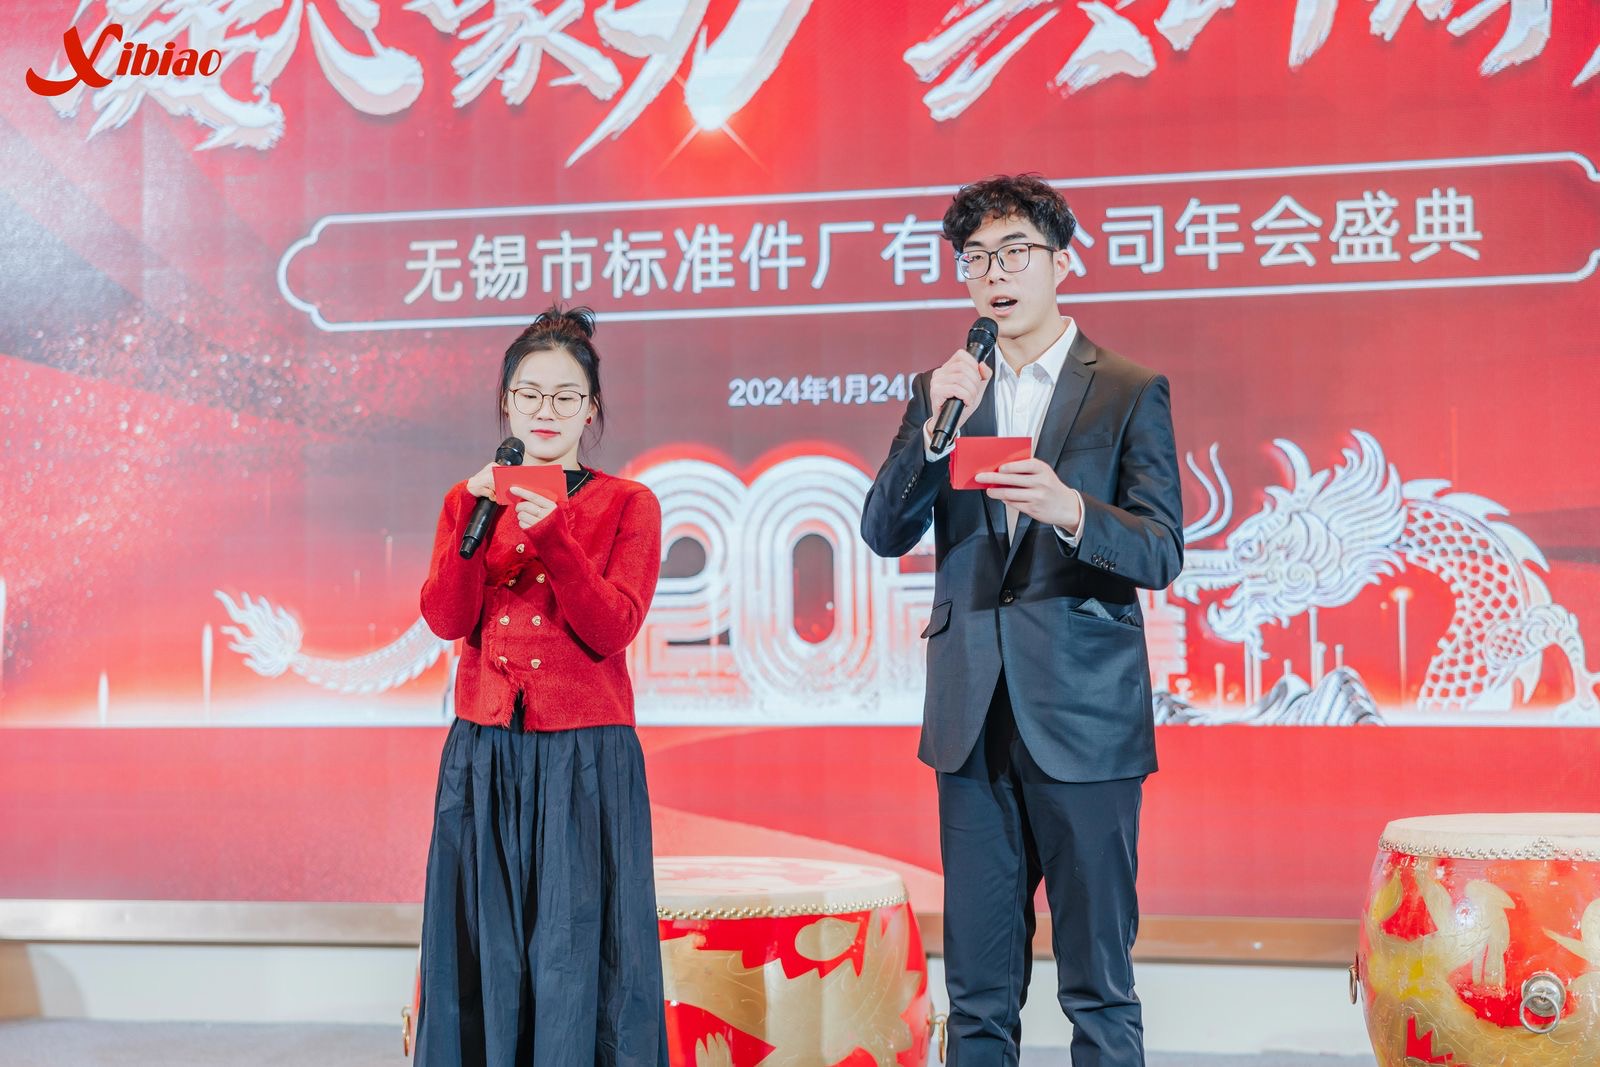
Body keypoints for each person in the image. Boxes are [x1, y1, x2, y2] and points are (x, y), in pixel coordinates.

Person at [860, 174, 1184, 1066]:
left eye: (1014, 254)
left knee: (1098, 986)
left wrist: (1071, 509)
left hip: (1085, 722)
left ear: (1061, 262)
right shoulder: (947, 391)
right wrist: (932, 433)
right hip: (971, 724)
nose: (994, 275)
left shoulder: (1127, 389)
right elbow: (883, 531)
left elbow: (1161, 549)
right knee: (977, 996)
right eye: (975, 259)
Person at [415, 306, 667, 1066]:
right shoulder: (467, 500)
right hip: (484, 755)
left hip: (583, 759)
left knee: (573, 949)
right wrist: (475, 514)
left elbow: (611, 627)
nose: (545, 410)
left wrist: (553, 531)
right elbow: (445, 616)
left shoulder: (628, 503)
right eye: (529, 394)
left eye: (565, 395)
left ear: (592, 408)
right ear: (506, 404)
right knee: (485, 949)